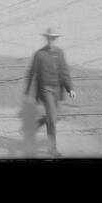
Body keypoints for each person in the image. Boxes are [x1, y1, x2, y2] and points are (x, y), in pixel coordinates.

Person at [24, 28, 75, 157]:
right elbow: (31, 73)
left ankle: (36, 125)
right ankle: (52, 148)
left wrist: (70, 89)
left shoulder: (60, 53)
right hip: (45, 90)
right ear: (46, 39)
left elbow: (64, 72)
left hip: (57, 90)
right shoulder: (39, 54)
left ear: (55, 39)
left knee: (56, 116)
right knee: (52, 119)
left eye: (53, 38)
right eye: (49, 38)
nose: (51, 41)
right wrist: (27, 91)